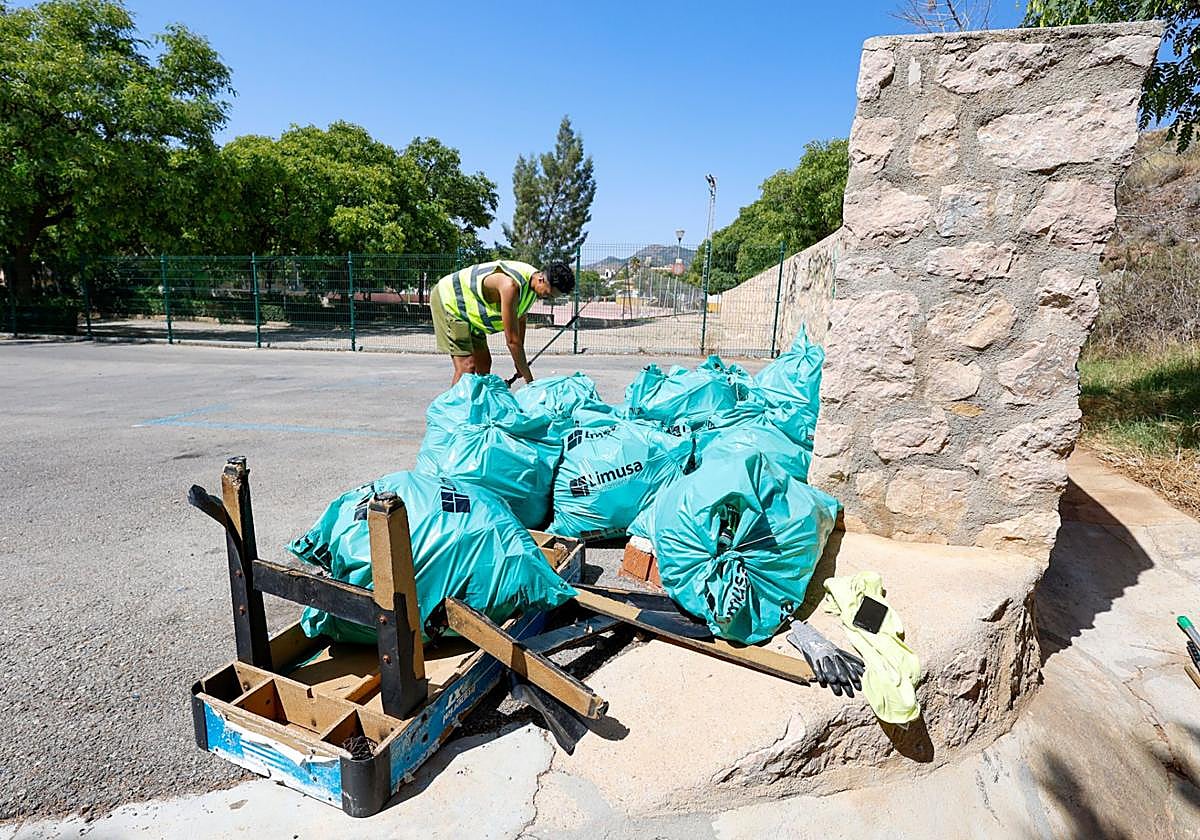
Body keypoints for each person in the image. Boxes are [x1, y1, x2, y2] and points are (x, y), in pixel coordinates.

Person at [430, 259, 575, 385]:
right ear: (542, 279)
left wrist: (520, 364)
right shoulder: (510, 286)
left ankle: (479, 409)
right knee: (467, 367)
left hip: (471, 316)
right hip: (450, 301)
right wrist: (529, 380)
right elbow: (512, 340)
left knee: (484, 366)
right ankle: (454, 414)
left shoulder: (533, 287)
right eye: (548, 293)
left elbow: (520, 319)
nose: (547, 298)